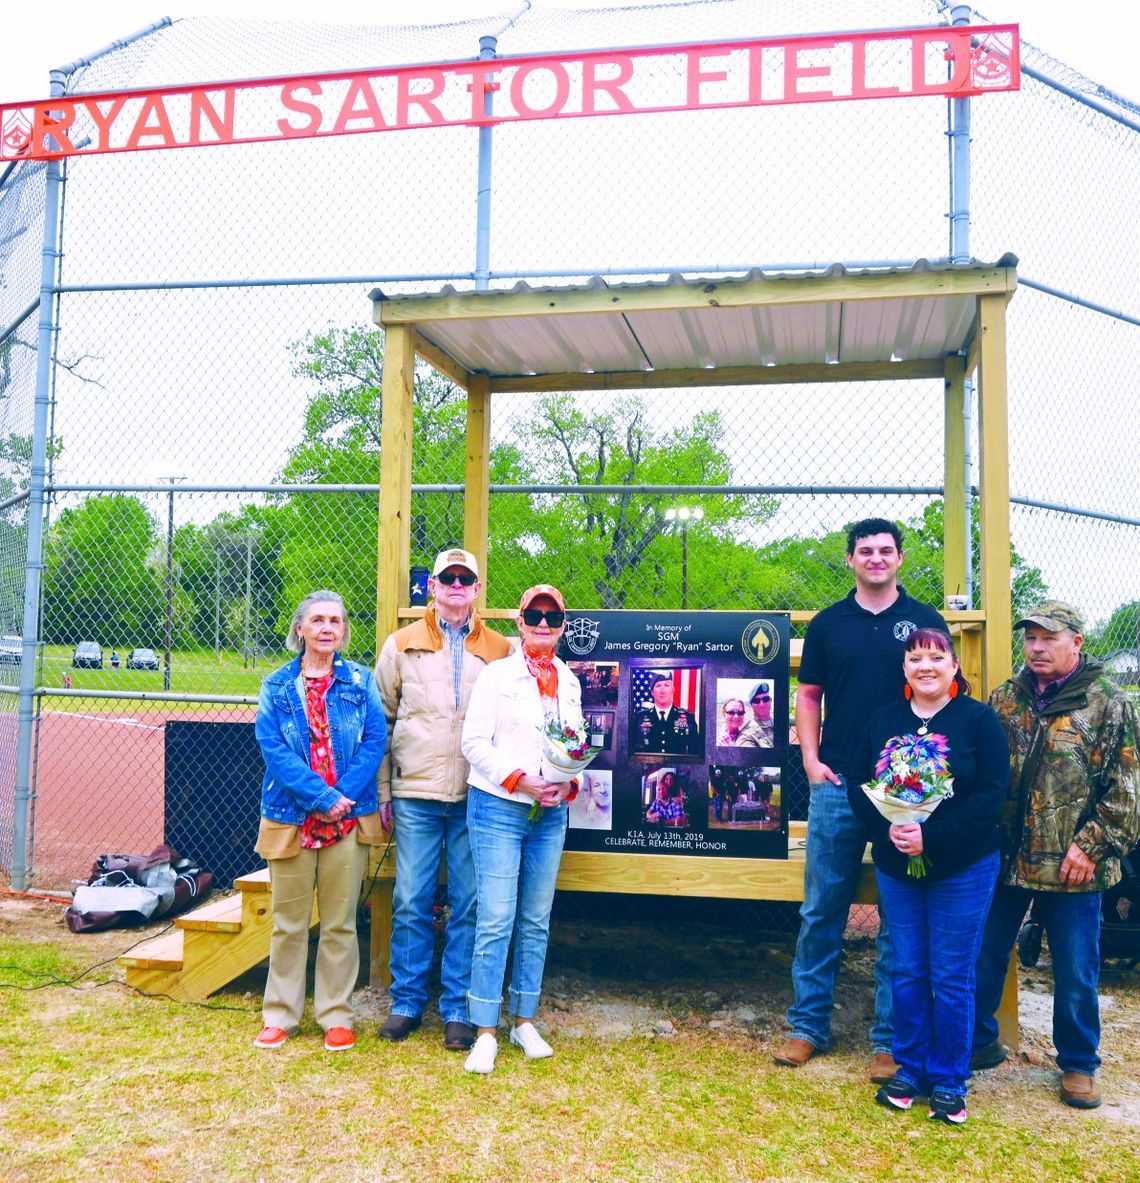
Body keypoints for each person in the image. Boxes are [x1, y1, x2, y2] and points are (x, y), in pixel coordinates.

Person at [775, 517, 945, 1082]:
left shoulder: (924, 621)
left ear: (900, 559)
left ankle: (891, 1039)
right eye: (865, 551)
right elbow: (809, 695)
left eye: (885, 550)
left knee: (899, 919)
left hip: (905, 793)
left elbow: (942, 695)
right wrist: (810, 759)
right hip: (838, 784)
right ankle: (807, 1027)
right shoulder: (829, 624)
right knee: (822, 909)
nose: (876, 558)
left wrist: (926, 778)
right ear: (849, 559)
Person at [972, 601, 1140, 1110]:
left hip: (1074, 865)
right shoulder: (1006, 698)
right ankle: (978, 1042)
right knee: (984, 952)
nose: (1037, 647)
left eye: (1049, 637)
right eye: (1030, 638)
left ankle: (1078, 1063)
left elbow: (1127, 791)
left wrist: (1091, 847)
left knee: (1075, 966)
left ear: (1077, 642)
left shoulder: (1108, 702)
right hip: (1006, 857)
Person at [849, 629, 1007, 1125]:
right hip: (899, 866)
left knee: (951, 974)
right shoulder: (884, 721)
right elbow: (859, 785)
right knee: (908, 968)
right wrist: (890, 829)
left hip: (963, 866)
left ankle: (949, 1078)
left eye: (937, 657)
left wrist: (930, 837)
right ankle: (911, 1068)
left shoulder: (978, 721)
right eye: (916, 657)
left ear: (954, 666)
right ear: (904, 668)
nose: (926, 666)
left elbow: (991, 795)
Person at [375, 547, 512, 1052]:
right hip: (416, 792)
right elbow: (382, 721)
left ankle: (458, 1007)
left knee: (469, 902)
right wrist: (383, 790)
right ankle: (407, 1001)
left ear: (477, 589)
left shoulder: (500, 649)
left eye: (465, 579)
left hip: (478, 794)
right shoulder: (401, 644)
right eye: (447, 578)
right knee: (411, 898)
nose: (456, 587)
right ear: (431, 586)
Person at [253, 590, 387, 1053]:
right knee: (288, 923)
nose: (327, 628)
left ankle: (335, 1015)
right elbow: (273, 749)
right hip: (291, 817)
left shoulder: (361, 682)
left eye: (335, 620)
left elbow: (374, 741)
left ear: (344, 629)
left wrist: (341, 798)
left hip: (346, 820)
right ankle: (280, 1015)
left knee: (340, 923)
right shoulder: (275, 686)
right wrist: (321, 797)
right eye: (317, 620)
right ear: (301, 629)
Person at [460, 584, 582, 1074]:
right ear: (520, 622)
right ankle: (484, 1030)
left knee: (536, 919)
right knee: (495, 918)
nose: (543, 624)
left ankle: (524, 1020)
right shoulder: (497, 675)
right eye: (535, 615)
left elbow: (575, 746)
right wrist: (519, 779)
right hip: (498, 808)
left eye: (552, 617)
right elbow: (473, 743)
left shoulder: (569, 681)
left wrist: (568, 784)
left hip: (550, 814)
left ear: (563, 626)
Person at [634, 672, 701, 755]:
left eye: (666, 685)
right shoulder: (640, 717)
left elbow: (695, 752)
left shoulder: (687, 717)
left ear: (673, 690)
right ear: (652, 692)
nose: (662, 691)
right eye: (658, 686)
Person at [738, 681, 775, 748]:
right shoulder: (747, 733)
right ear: (751, 705)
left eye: (765, 699)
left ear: (770, 700)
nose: (762, 704)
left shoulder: (778, 723)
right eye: (756, 701)